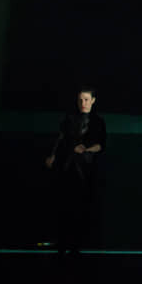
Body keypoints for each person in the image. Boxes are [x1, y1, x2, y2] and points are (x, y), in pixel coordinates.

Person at [45, 88, 106, 255]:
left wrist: (86, 149)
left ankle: (75, 244)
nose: (83, 103)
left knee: (80, 208)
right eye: (80, 100)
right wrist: (53, 155)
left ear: (93, 100)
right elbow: (61, 138)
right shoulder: (70, 119)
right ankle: (63, 243)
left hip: (85, 170)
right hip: (68, 168)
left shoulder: (98, 122)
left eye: (86, 99)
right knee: (64, 206)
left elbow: (100, 145)